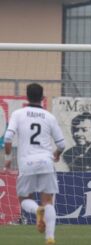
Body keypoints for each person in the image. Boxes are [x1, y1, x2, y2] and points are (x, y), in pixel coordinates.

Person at [3, 83, 65, 245]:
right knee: (48, 201)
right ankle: (50, 238)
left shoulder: (18, 114)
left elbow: (8, 138)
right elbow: (62, 144)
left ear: (27, 96)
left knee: (24, 199)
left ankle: (37, 210)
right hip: (46, 162)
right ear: (43, 98)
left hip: (26, 163)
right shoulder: (49, 117)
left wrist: (8, 158)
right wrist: (57, 154)